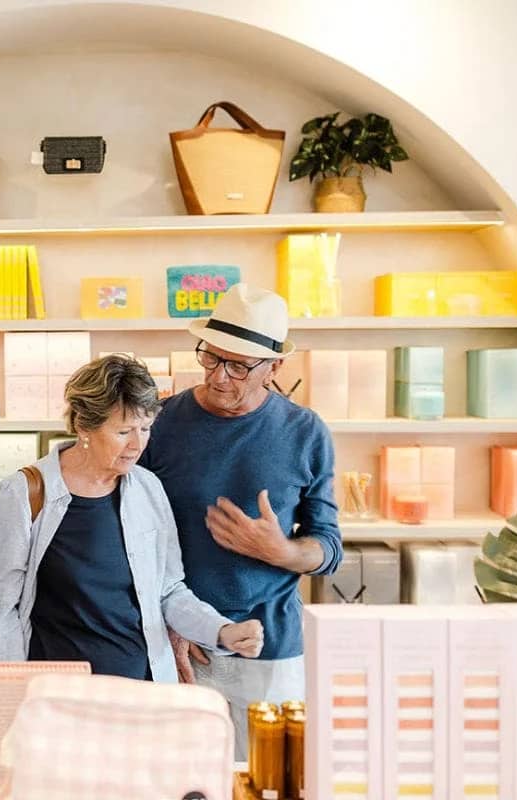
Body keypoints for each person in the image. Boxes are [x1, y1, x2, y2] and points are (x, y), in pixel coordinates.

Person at [138, 283, 343, 757]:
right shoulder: (161, 424)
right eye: (211, 358)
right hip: (183, 644)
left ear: (275, 367)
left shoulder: (306, 432)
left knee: (271, 781)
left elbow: (329, 548)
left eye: (238, 366)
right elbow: (134, 540)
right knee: (182, 781)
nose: (219, 377)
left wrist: (281, 551)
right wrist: (168, 626)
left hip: (270, 647)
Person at [0, 354, 264, 684]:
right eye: (123, 431)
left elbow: (169, 592)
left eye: (145, 429)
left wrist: (222, 631)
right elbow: (3, 609)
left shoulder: (148, 489)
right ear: (84, 426)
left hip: (139, 690)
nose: (137, 444)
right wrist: (8, 693)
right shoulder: (27, 492)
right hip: (58, 696)